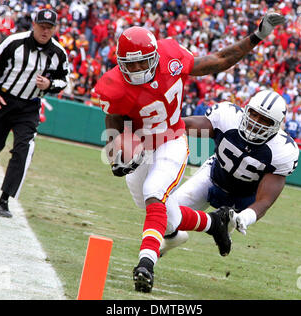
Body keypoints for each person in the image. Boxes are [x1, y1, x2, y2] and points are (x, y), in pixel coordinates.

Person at [93, 12, 286, 293]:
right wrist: (116, 148)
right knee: (160, 214)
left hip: (172, 138)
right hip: (142, 145)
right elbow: (114, 119)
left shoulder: (171, 57)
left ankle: (145, 264)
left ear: (156, 56)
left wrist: (255, 37)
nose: (137, 69)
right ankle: (213, 223)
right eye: (130, 64)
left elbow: (219, 60)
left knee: (155, 192)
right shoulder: (111, 85)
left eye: (143, 62)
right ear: (120, 63)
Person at [161, 90, 299, 256]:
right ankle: (166, 246)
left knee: (228, 221)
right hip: (213, 178)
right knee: (165, 216)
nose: (256, 122)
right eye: (254, 114)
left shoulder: (282, 150)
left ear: (276, 125)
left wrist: (246, 217)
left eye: (265, 120)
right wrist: (159, 129)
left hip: (244, 199)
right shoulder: (229, 116)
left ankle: (222, 227)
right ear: (246, 109)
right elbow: (187, 126)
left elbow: (265, 200)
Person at [0, 9, 70, 218]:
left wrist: (50, 84)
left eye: (49, 27)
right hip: (4, 100)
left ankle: (4, 200)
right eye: (42, 26)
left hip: (30, 106)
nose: (45, 30)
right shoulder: (14, 42)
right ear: (34, 24)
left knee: (24, 149)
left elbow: (64, 80)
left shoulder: (59, 53)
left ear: (54, 29)